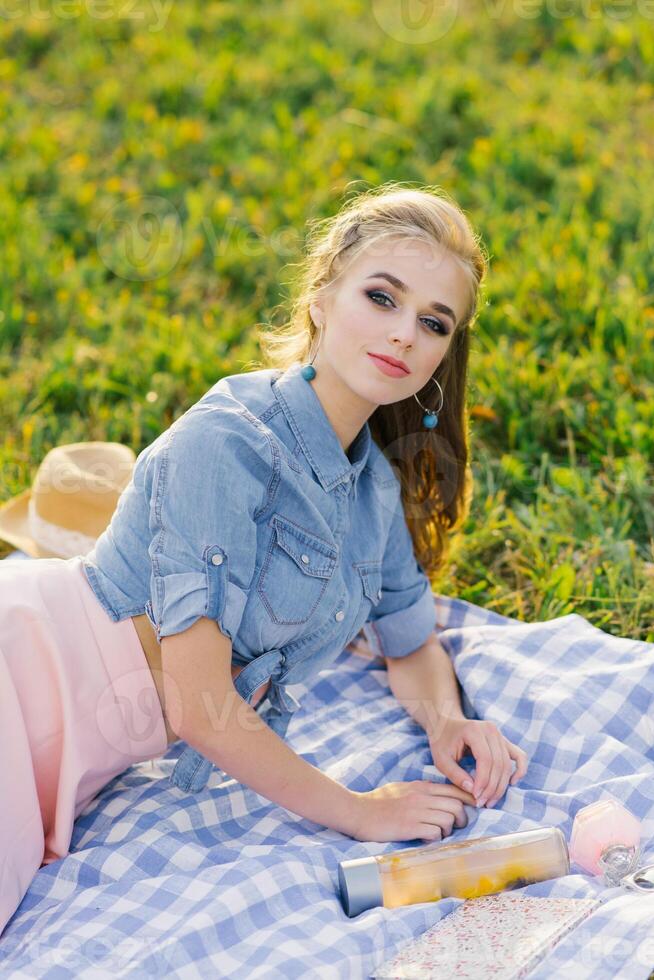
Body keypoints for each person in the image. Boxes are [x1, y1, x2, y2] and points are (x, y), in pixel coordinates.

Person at [0, 183, 527, 937]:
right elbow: (197, 702)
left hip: (89, 743)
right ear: (320, 295)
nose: (404, 333)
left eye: (432, 321)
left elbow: (407, 640)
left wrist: (447, 724)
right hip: (28, 677)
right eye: (381, 297)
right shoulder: (229, 443)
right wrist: (357, 810)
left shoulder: (372, 486)